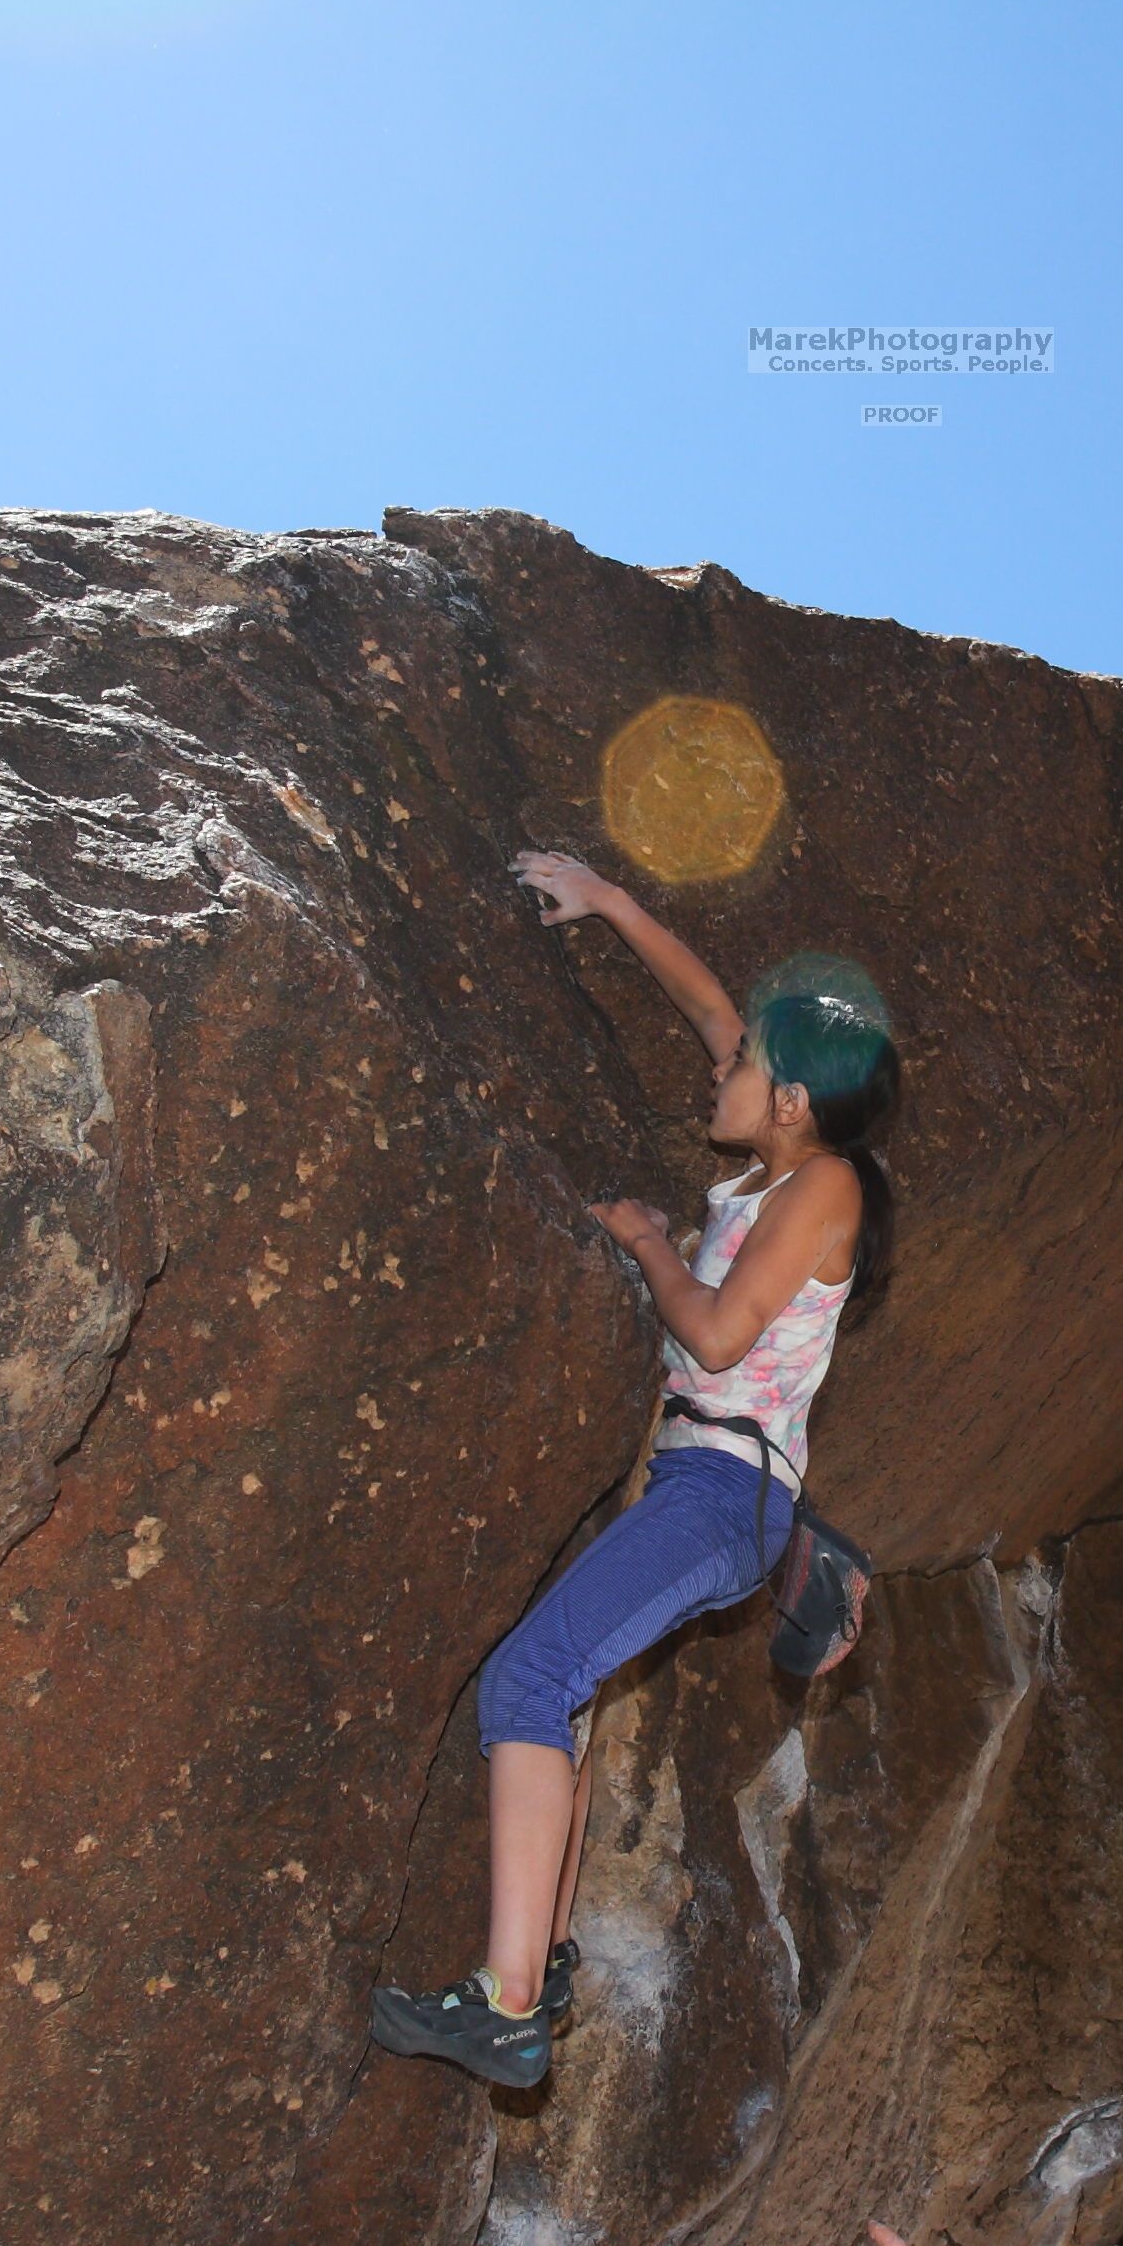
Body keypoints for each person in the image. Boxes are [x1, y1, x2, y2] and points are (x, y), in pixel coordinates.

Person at [368, 848, 899, 2089]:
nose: (718, 1069)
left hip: (727, 1493)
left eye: (743, 1070)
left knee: (529, 1675)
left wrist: (656, 1240)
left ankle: (505, 2004)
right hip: (700, 1488)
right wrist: (608, 905)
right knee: (575, 1695)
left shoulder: (826, 1184)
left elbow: (715, 1334)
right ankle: (542, 1960)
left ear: (795, 1101)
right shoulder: (784, 1157)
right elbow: (717, 1010)